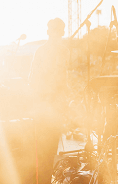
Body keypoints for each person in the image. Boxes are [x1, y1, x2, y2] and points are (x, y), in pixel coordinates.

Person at [27, 18, 70, 184]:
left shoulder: (57, 51)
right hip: (46, 106)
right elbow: (37, 80)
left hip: (51, 106)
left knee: (46, 151)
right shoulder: (49, 52)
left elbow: (33, 79)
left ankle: (44, 180)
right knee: (44, 151)